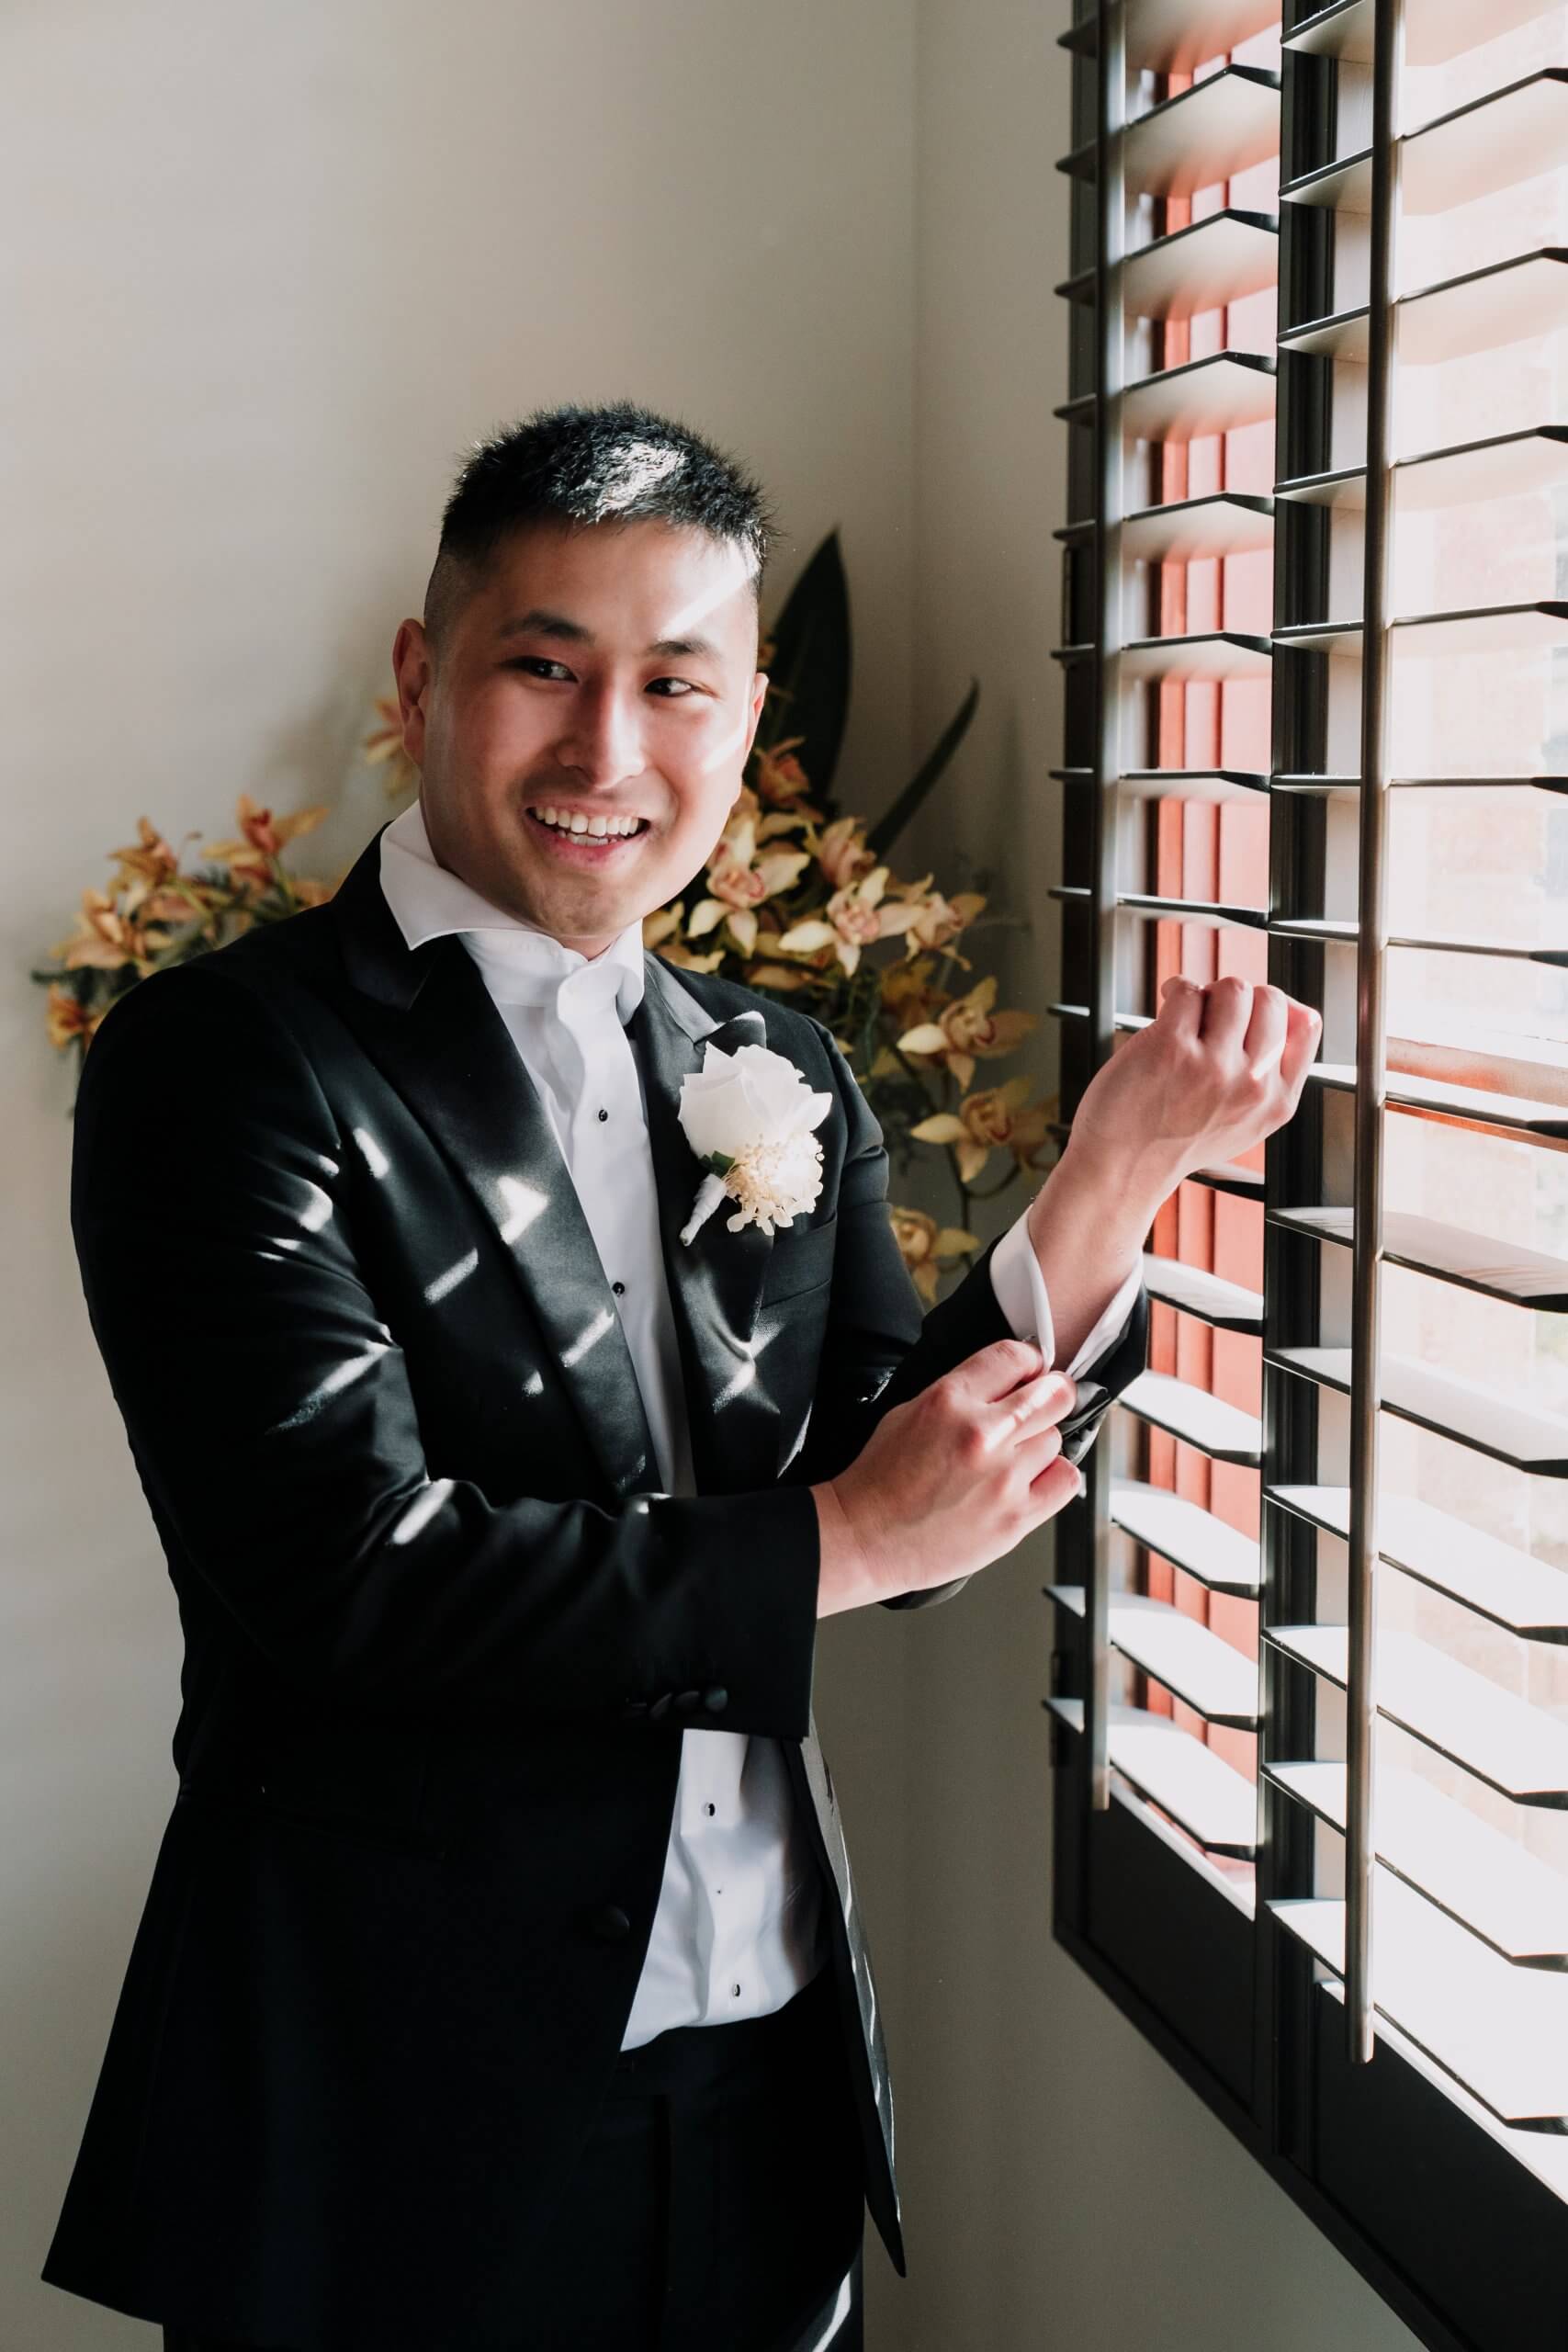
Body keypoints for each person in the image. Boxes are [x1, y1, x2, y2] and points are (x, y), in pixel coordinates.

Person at [42, 401, 1319, 2352]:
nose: (604, 750)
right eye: (542, 665)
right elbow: (346, 1578)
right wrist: (841, 1534)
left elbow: (901, 1499)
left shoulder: (777, 1066)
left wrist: (1115, 1167)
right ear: (423, 674)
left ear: (745, 726)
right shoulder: (226, 1061)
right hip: (397, 2105)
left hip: (764, 2077)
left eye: (672, 684)